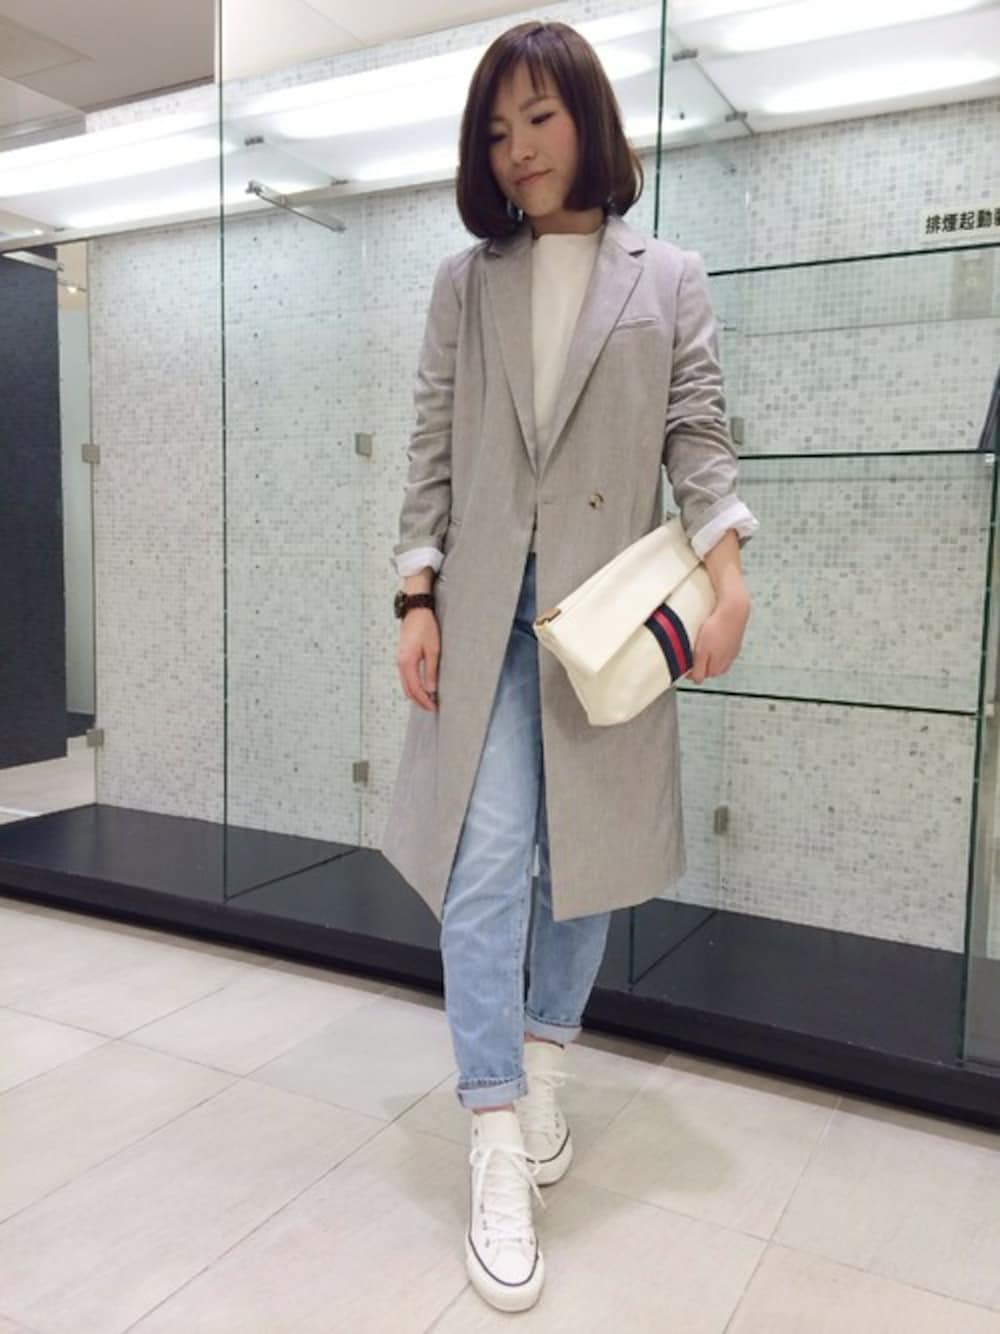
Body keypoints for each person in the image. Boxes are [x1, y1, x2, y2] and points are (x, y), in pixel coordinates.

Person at [386, 18, 757, 1314]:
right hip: (484, 611)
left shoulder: (670, 277)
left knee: (586, 857)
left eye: (538, 118)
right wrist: (416, 591)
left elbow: (698, 435)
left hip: (607, 619)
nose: (519, 149)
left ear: (588, 118)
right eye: (498, 130)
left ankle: (548, 1058)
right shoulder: (464, 283)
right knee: (486, 862)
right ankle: (494, 1123)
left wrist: (730, 573)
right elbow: (431, 446)